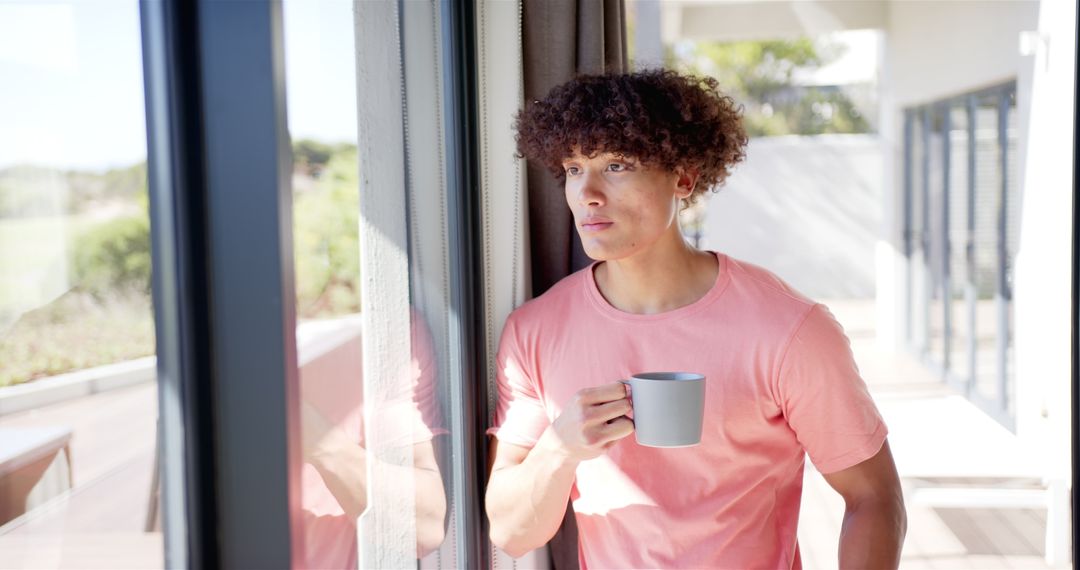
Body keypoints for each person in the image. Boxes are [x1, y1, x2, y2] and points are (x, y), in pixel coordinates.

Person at [484, 69, 906, 569]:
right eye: (575, 168)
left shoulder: (789, 328)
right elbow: (511, 534)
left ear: (683, 178)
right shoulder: (534, 331)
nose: (587, 193)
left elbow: (874, 498)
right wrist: (562, 447)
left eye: (616, 165)